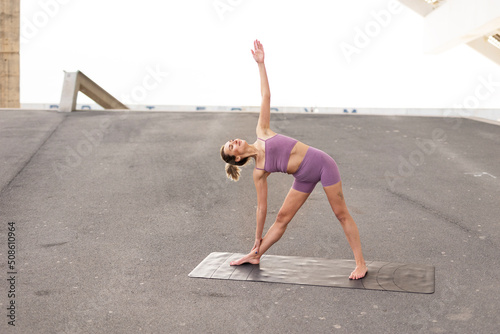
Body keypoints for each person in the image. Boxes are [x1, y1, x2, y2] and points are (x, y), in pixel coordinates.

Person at [220, 40, 367, 280]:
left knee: (341, 214)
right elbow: (262, 208)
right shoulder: (259, 171)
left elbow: (266, 95)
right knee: (281, 218)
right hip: (303, 177)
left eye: (231, 140)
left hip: (322, 165)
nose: (234, 140)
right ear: (236, 157)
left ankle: (360, 263)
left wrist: (261, 64)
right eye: (231, 145)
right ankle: (256, 254)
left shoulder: (262, 131)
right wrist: (257, 238)